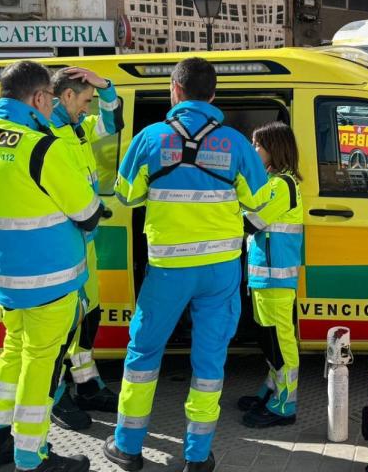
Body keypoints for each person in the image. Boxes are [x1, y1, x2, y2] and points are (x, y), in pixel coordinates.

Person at [103, 57, 268, 472]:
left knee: (143, 354)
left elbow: (126, 196)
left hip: (167, 270)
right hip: (220, 271)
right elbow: (260, 202)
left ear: (174, 91)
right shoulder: (236, 144)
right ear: (213, 96)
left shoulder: (149, 138)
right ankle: (197, 456)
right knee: (210, 361)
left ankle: (127, 447)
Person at [0, 61, 103, 472]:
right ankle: (30, 455)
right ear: (40, 98)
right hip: (51, 280)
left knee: (11, 355)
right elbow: (88, 212)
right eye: (46, 103)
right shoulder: (42, 146)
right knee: (42, 366)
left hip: (5, 277)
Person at [48, 67, 125, 430]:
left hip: (85, 242)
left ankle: (86, 384)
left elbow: (112, 125)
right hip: (62, 245)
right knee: (61, 327)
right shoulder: (47, 132)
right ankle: (55, 397)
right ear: (65, 97)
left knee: (88, 315)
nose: (87, 108)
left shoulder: (75, 130)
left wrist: (105, 87)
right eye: (85, 100)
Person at [236, 122, 304, 429]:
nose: (253, 151)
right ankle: (273, 388)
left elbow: (251, 222)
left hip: (276, 278)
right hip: (264, 277)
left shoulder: (281, 185)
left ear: (273, 149)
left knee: (280, 339)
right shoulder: (271, 181)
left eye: (257, 145)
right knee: (269, 337)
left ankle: (285, 404)